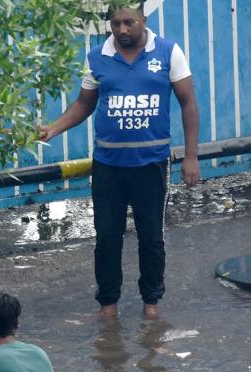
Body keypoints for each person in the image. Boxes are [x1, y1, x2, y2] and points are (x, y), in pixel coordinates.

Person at [40, 1, 201, 319]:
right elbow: (84, 104)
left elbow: (188, 102)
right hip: (109, 167)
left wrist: (191, 156)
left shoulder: (168, 52)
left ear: (143, 19)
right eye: (115, 24)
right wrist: (53, 128)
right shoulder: (98, 56)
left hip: (151, 165)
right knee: (107, 239)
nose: (122, 30)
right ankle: (108, 306)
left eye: (129, 22)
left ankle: (151, 304)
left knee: (152, 239)